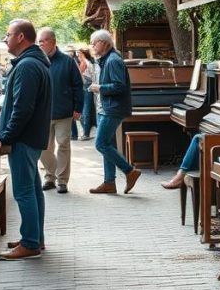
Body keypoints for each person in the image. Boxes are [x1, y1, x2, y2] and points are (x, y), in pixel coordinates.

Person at [0, 19, 52, 260]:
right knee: (32, 189)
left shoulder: (28, 66)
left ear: (20, 37)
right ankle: (34, 237)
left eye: (8, 35)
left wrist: (7, 135)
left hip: (24, 138)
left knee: (23, 191)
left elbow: (22, 108)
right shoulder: (33, 62)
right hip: (32, 137)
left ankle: (30, 242)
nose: (6, 39)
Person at [88, 29, 141, 194]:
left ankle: (129, 171)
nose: (92, 46)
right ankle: (109, 183)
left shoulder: (112, 60)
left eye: (94, 42)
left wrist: (99, 88)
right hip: (108, 108)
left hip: (112, 109)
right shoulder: (107, 59)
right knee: (108, 144)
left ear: (104, 43)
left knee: (101, 144)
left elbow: (119, 86)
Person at [36, 28, 83, 193]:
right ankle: (50, 176)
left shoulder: (68, 61)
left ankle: (62, 180)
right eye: (39, 41)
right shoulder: (37, 61)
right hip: (42, 113)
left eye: (43, 41)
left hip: (64, 112)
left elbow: (78, 85)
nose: (40, 44)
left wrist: (78, 108)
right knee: (43, 147)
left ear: (53, 42)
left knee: (63, 145)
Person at [77, 48, 96, 140]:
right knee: (88, 109)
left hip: (86, 87)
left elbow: (79, 74)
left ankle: (86, 133)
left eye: (79, 54)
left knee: (85, 110)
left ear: (82, 54)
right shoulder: (90, 62)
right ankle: (87, 132)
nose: (77, 56)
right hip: (89, 86)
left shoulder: (84, 63)